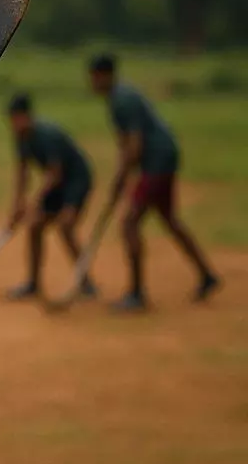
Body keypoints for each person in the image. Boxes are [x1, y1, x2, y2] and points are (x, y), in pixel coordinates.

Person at [89, 53, 220, 312]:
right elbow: (126, 145)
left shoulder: (122, 100)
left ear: (103, 75)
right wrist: (121, 180)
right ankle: (207, 275)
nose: (91, 83)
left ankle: (137, 295)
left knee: (129, 224)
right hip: (161, 158)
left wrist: (120, 179)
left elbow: (135, 147)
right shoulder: (118, 98)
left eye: (93, 77)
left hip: (157, 161)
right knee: (169, 218)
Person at [3, 93, 97, 301]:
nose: (15, 124)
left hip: (76, 181)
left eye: (18, 118)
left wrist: (35, 201)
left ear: (28, 116)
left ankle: (86, 282)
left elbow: (55, 173)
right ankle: (33, 284)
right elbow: (23, 173)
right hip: (57, 184)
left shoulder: (47, 135)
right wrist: (17, 205)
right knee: (35, 226)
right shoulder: (20, 139)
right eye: (12, 120)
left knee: (65, 226)